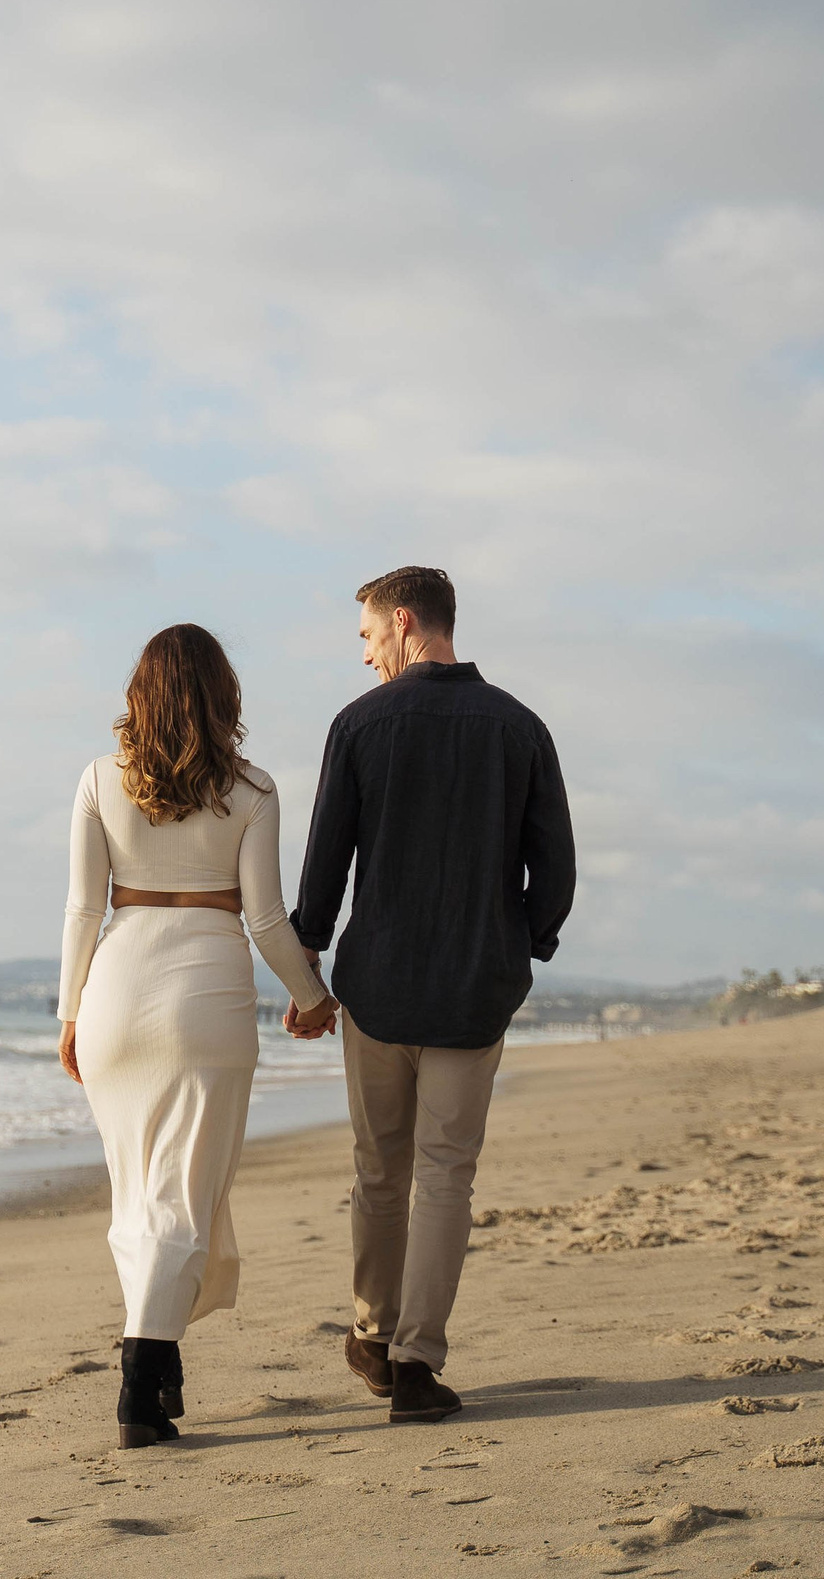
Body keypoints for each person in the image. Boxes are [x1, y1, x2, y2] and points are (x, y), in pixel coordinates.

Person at [287, 566, 575, 1424]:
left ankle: (372, 1333)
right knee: (447, 1175)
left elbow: (324, 867)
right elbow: (553, 868)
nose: (369, 655)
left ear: (404, 623)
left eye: (370, 637)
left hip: (376, 986)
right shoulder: (520, 727)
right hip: (472, 992)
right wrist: (521, 944)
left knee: (380, 1168)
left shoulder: (360, 724)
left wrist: (308, 968)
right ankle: (415, 1365)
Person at [57, 623, 337, 1449]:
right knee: (183, 1192)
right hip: (205, 1001)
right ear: (224, 695)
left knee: (138, 1192)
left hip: (115, 995)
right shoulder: (252, 789)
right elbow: (263, 918)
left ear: (138, 692)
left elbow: (81, 908)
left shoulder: (98, 778)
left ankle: (163, 1355)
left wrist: (69, 1011)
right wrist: (312, 997)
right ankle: (140, 1387)